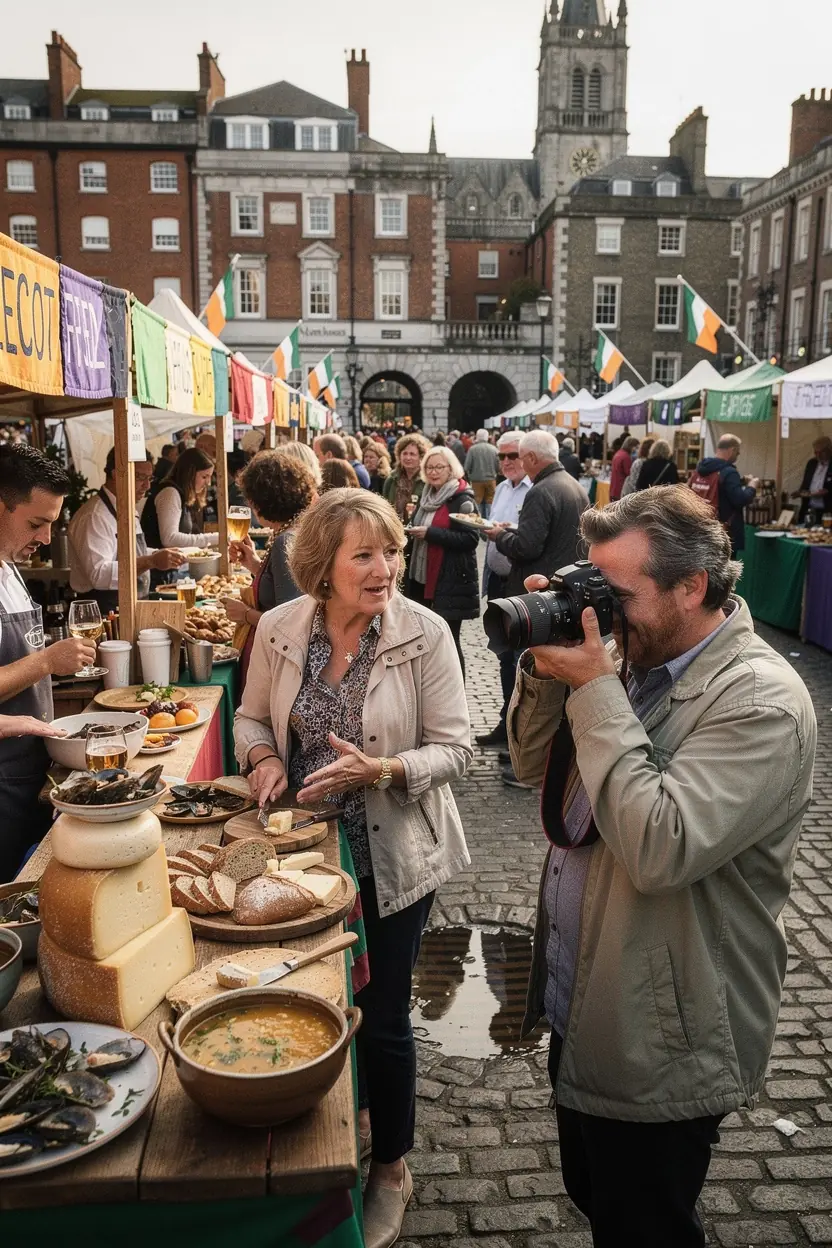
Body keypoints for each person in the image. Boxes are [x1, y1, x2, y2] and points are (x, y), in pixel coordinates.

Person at [506, 487, 816, 1248]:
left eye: (617, 595)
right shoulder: (642, 658)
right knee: (599, 1196)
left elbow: (660, 847)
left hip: (666, 1031)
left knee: (645, 1223)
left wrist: (596, 688)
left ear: (692, 585)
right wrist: (553, 673)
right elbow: (528, 767)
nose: (603, 613)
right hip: (592, 1000)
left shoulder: (759, 701)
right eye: (593, 585)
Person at [234, 489, 472, 1248]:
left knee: (386, 1012)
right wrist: (266, 755)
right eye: (364, 555)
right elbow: (246, 715)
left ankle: (392, 1167)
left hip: (392, 853)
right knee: (315, 995)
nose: (385, 569)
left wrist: (386, 769)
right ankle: (346, 1116)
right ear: (322, 567)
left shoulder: (424, 633)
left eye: (392, 550)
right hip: (302, 852)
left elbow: (457, 748)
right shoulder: (279, 626)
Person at [0, 445, 102, 878]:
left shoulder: (10, 566)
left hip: (30, 770)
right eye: (35, 523)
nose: (45, 538)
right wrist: (47, 661)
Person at [221, 450, 317, 687]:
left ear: (262, 500)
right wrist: (253, 563)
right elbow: (284, 587)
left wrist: (244, 614)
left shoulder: (286, 540)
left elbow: (291, 621)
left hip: (278, 661)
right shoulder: (292, 530)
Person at [68, 449, 185, 610]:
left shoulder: (127, 508)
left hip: (133, 604)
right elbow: (99, 574)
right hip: (103, 611)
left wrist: (159, 554)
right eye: (140, 477)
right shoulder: (94, 516)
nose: (147, 485)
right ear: (116, 475)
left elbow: (132, 552)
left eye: (149, 478)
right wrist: (151, 561)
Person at [475, 432, 532, 747]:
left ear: (528, 456)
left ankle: (519, 728)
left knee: (518, 657)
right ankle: (505, 721)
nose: (508, 462)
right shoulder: (500, 489)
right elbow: (492, 528)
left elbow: (530, 541)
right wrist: (488, 530)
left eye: (514, 456)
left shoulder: (534, 490)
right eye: (503, 457)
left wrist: (502, 534)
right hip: (498, 581)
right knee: (502, 655)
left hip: (519, 585)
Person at [405, 447, 479, 680]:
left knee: (449, 640)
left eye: (439, 467)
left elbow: (470, 538)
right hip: (421, 580)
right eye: (429, 467)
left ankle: (456, 695)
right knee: (423, 639)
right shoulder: (426, 495)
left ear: (451, 468)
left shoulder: (462, 499)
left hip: (449, 581)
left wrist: (430, 533)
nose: (434, 472)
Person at [490, 430, 589, 597]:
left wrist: (499, 536)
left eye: (520, 458)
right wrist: (513, 531)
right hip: (566, 581)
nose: (521, 464)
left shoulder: (540, 491)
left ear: (532, 458)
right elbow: (554, 533)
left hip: (541, 586)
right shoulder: (574, 485)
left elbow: (526, 548)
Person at [141, 448, 218, 585]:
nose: (208, 483)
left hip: (171, 572)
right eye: (204, 476)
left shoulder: (180, 494)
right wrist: (215, 538)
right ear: (189, 474)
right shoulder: (170, 493)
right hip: (159, 576)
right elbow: (170, 539)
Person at [690, 434, 758, 553]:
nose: (738, 455)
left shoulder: (701, 469)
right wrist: (752, 486)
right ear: (732, 450)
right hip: (723, 532)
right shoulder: (729, 472)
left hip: (700, 528)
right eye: (737, 453)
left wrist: (741, 481)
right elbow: (740, 500)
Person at [383, 433, 431, 521]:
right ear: (399, 455)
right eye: (404, 453)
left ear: (421, 457)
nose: (408, 458)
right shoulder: (391, 479)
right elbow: (384, 506)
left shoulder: (427, 480)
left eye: (412, 454)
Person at [464, 429, 500, 519]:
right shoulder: (494, 449)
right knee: (490, 503)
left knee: (477, 503)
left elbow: (467, 466)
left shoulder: (472, 449)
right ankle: (490, 522)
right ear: (487, 437)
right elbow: (498, 466)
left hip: (476, 480)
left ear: (477, 437)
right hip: (491, 480)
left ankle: (478, 523)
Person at [797, 435, 832, 523]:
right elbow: (806, 483)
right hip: (809, 509)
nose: (818, 455)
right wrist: (800, 492)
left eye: (821, 452)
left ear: (829, 450)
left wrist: (828, 492)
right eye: (816, 452)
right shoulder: (811, 463)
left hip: (828, 512)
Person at [609, 435, 639, 502]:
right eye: (636, 447)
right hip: (620, 489)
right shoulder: (626, 457)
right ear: (631, 446)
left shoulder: (618, 453)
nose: (637, 450)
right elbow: (629, 473)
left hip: (613, 489)